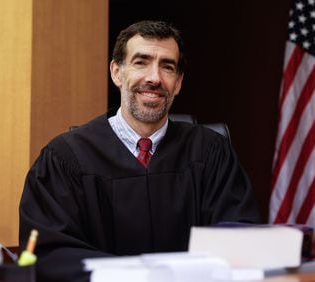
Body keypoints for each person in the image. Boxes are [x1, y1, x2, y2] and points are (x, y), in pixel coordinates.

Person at [19, 20, 260, 282]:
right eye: (141, 62)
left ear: (178, 82)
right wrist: (137, 276)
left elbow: (239, 239)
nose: (154, 78)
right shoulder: (65, 158)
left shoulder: (210, 152)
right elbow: (50, 253)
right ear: (116, 72)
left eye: (167, 66)